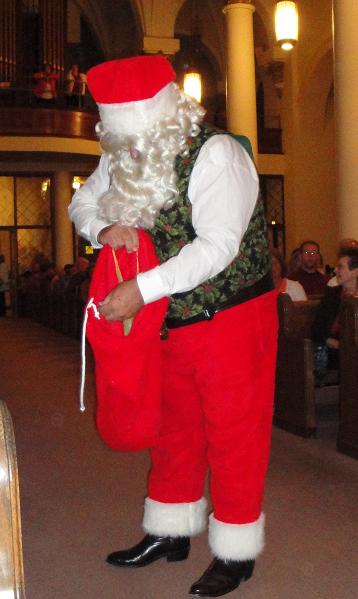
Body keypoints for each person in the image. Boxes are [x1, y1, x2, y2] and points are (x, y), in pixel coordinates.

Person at [68, 55, 278, 598]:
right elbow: (82, 200)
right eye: (121, 137)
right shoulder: (127, 152)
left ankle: (235, 551)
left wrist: (140, 289)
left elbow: (217, 246)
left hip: (233, 314)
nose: (129, 150)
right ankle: (170, 531)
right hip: (170, 320)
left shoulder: (217, 155)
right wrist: (104, 225)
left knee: (235, 433)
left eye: (136, 133)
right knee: (172, 427)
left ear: (162, 114)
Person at [311, 247, 358, 376]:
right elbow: (316, 329)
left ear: (355, 271)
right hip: (335, 353)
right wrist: (339, 345)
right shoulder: (333, 295)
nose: (336, 270)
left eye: (340, 267)